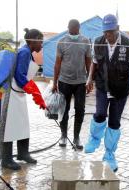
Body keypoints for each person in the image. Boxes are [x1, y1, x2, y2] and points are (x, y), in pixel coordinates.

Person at [84, 14, 129, 172]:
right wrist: (90, 79)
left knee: (114, 122)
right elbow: (94, 63)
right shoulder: (98, 42)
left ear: (118, 29)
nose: (107, 35)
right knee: (100, 113)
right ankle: (94, 139)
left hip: (120, 91)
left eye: (110, 32)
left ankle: (109, 155)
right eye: (105, 32)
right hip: (102, 86)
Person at [0, 28, 46, 170]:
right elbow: (20, 76)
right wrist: (34, 91)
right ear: (33, 40)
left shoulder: (26, 51)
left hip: (18, 92)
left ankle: (23, 153)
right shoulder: (25, 52)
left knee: (23, 123)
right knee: (9, 127)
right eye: (41, 42)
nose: (41, 45)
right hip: (12, 93)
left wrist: (32, 90)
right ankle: (6, 160)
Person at [53, 19, 91, 149]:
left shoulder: (85, 41)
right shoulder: (62, 42)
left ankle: (76, 137)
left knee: (80, 109)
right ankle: (63, 136)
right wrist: (54, 82)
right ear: (67, 27)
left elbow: (88, 62)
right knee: (64, 110)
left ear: (79, 28)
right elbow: (57, 63)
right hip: (64, 81)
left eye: (75, 27)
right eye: (71, 27)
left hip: (80, 82)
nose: (73, 29)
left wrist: (89, 80)